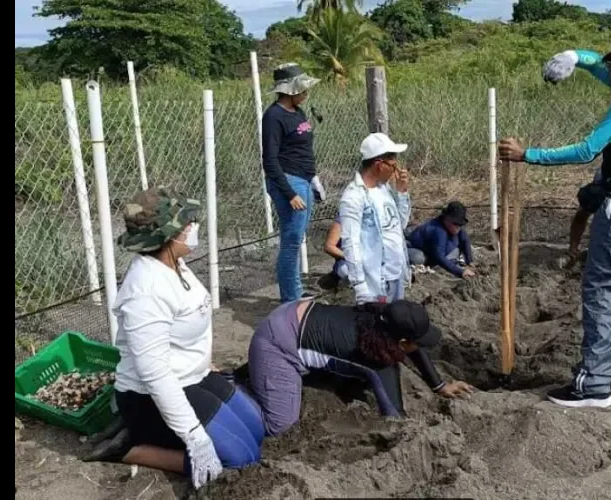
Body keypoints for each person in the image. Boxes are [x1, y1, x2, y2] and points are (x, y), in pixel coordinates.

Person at [499, 30, 611, 408]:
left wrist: (527, 154)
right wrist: (575, 57)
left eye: (610, 62)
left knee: (602, 292)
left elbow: (587, 150)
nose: (605, 68)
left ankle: (593, 384)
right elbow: (601, 69)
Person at [85, 187, 265, 490]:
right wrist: (194, 436)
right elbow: (155, 375)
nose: (192, 228)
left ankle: (155, 435)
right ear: (167, 235)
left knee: (257, 430)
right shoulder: (146, 291)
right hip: (151, 396)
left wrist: (204, 362)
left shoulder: (174, 264)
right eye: (185, 224)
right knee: (241, 459)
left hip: (193, 377)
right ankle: (132, 448)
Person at [246, 298, 474, 436]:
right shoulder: (374, 357)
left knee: (355, 377)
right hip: (277, 341)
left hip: (298, 312)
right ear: (402, 342)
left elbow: (412, 345)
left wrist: (440, 385)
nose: (418, 346)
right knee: (281, 425)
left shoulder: (379, 318)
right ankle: (233, 390)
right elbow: (395, 417)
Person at [262, 62, 326, 303]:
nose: (306, 93)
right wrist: (289, 193)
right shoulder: (273, 117)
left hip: (304, 179)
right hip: (288, 181)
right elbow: (269, 160)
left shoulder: (298, 112)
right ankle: (290, 297)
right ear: (290, 90)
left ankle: (295, 291)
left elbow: (304, 150)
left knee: (297, 238)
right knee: (291, 240)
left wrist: (314, 178)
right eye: (303, 89)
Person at [339, 132, 413, 305]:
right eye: (393, 166)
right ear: (379, 164)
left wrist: (401, 192)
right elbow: (351, 244)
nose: (396, 171)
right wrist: (360, 286)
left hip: (396, 275)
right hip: (376, 283)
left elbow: (399, 225)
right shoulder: (354, 197)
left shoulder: (384, 190)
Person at [406, 201, 476, 279]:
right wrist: (460, 272)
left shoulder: (454, 228)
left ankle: (434, 263)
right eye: (455, 223)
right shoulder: (438, 230)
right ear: (446, 218)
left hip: (433, 252)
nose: (458, 227)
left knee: (455, 251)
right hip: (415, 247)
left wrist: (470, 262)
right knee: (418, 258)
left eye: (460, 224)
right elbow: (439, 256)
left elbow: (465, 240)